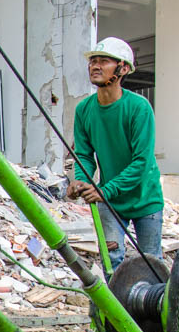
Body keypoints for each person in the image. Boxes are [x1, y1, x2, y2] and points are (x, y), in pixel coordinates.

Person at [66, 37, 164, 272]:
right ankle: (115, 307)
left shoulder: (139, 108)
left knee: (151, 265)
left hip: (145, 199)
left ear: (123, 69)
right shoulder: (84, 110)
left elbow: (141, 162)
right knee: (112, 262)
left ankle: (152, 308)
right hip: (110, 202)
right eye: (93, 61)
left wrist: (103, 190)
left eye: (104, 61)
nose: (95, 66)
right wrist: (81, 180)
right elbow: (84, 155)